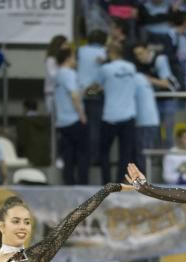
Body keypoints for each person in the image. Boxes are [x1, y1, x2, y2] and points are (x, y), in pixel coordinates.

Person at [96, 43, 138, 185]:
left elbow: (95, 85)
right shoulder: (131, 67)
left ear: (111, 54)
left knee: (104, 152)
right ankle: (121, 182)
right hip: (128, 116)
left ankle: (107, 182)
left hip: (110, 116)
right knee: (125, 154)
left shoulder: (105, 69)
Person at [54, 46, 89, 185]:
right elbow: (74, 95)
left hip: (62, 120)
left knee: (67, 155)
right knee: (82, 154)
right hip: (73, 119)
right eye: (74, 57)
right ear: (68, 58)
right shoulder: (69, 73)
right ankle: (82, 184)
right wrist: (82, 115)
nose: (76, 60)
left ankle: (68, 183)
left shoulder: (58, 74)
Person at [77, 30, 108, 167]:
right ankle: (94, 158)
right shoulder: (104, 51)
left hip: (80, 92)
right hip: (96, 92)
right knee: (95, 128)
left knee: (82, 128)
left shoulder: (80, 50)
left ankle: (82, 157)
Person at [133, 71, 161, 172]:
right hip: (152, 120)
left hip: (144, 121)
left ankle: (143, 183)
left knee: (143, 154)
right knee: (145, 153)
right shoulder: (143, 77)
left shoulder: (133, 78)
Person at [44, 35, 68, 115]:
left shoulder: (65, 59)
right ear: (59, 45)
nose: (67, 46)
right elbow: (53, 76)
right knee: (53, 120)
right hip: (52, 93)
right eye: (65, 44)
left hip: (62, 93)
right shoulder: (51, 59)